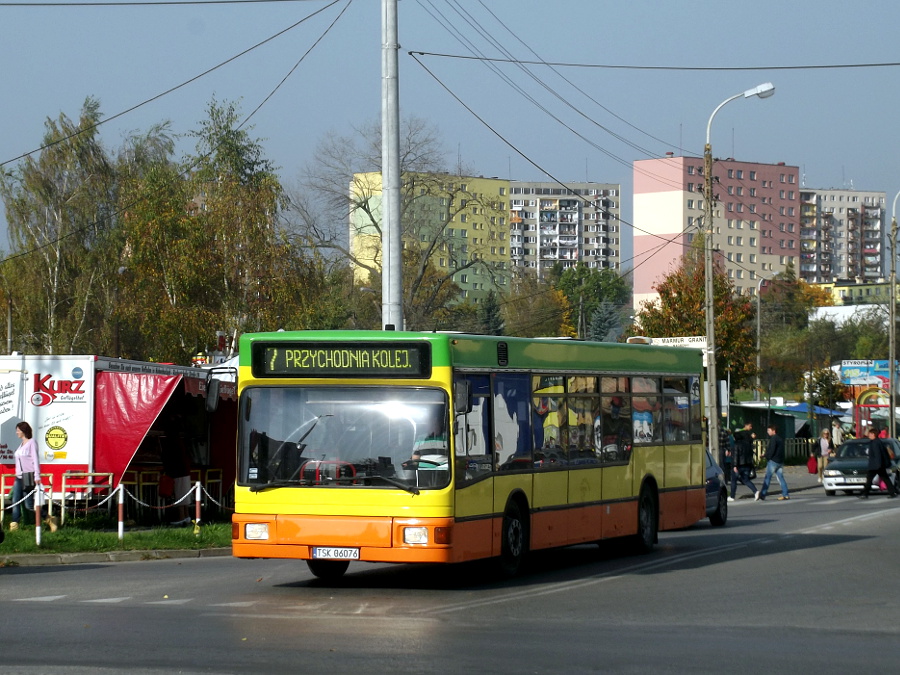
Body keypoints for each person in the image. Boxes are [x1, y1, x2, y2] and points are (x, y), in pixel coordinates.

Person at [9, 421, 44, 531]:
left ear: (24, 431)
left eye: (18, 430)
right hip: (18, 477)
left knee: (29, 504)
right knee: (15, 501)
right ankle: (14, 524)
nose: (17, 433)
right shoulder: (21, 445)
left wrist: (37, 476)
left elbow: (35, 460)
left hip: (28, 477)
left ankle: (48, 518)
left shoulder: (32, 443)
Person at [160, 413, 192, 526]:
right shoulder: (180, 441)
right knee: (185, 494)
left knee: (180, 495)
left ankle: (181, 517)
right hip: (185, 470)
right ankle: (186, 516)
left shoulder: (171, 442)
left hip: (178, 471)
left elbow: (169, 458)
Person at [858, 427, 898, 499]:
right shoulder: (877, 442)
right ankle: (892, 492)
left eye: (870, 434)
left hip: (875, 465)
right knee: (885, 479)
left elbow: (878, 454)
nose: (868, 435)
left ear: (873, 434)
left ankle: (864, 494)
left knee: (869, 480)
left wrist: (877, 465)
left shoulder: (875, 443)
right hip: (878, 465)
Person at [758, 424, 790, 501]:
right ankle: (785, 494)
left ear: (773, 431)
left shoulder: (773, 439)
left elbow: (771, 450)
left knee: (767, 478)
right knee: (780, 477)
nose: (768, 432)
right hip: (780, 461)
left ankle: (763, 494)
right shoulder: (780, 439)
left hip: (773, 461)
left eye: (769, 430)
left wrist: (765, 455)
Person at [729, 421, 759, 502]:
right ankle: (756, 491)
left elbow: (735, 456)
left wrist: (735, 465)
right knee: (746, 480)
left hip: (739, 465)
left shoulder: (736, 445)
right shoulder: (748, 445)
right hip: (747, 464)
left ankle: (732, 496)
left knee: (733, 481)